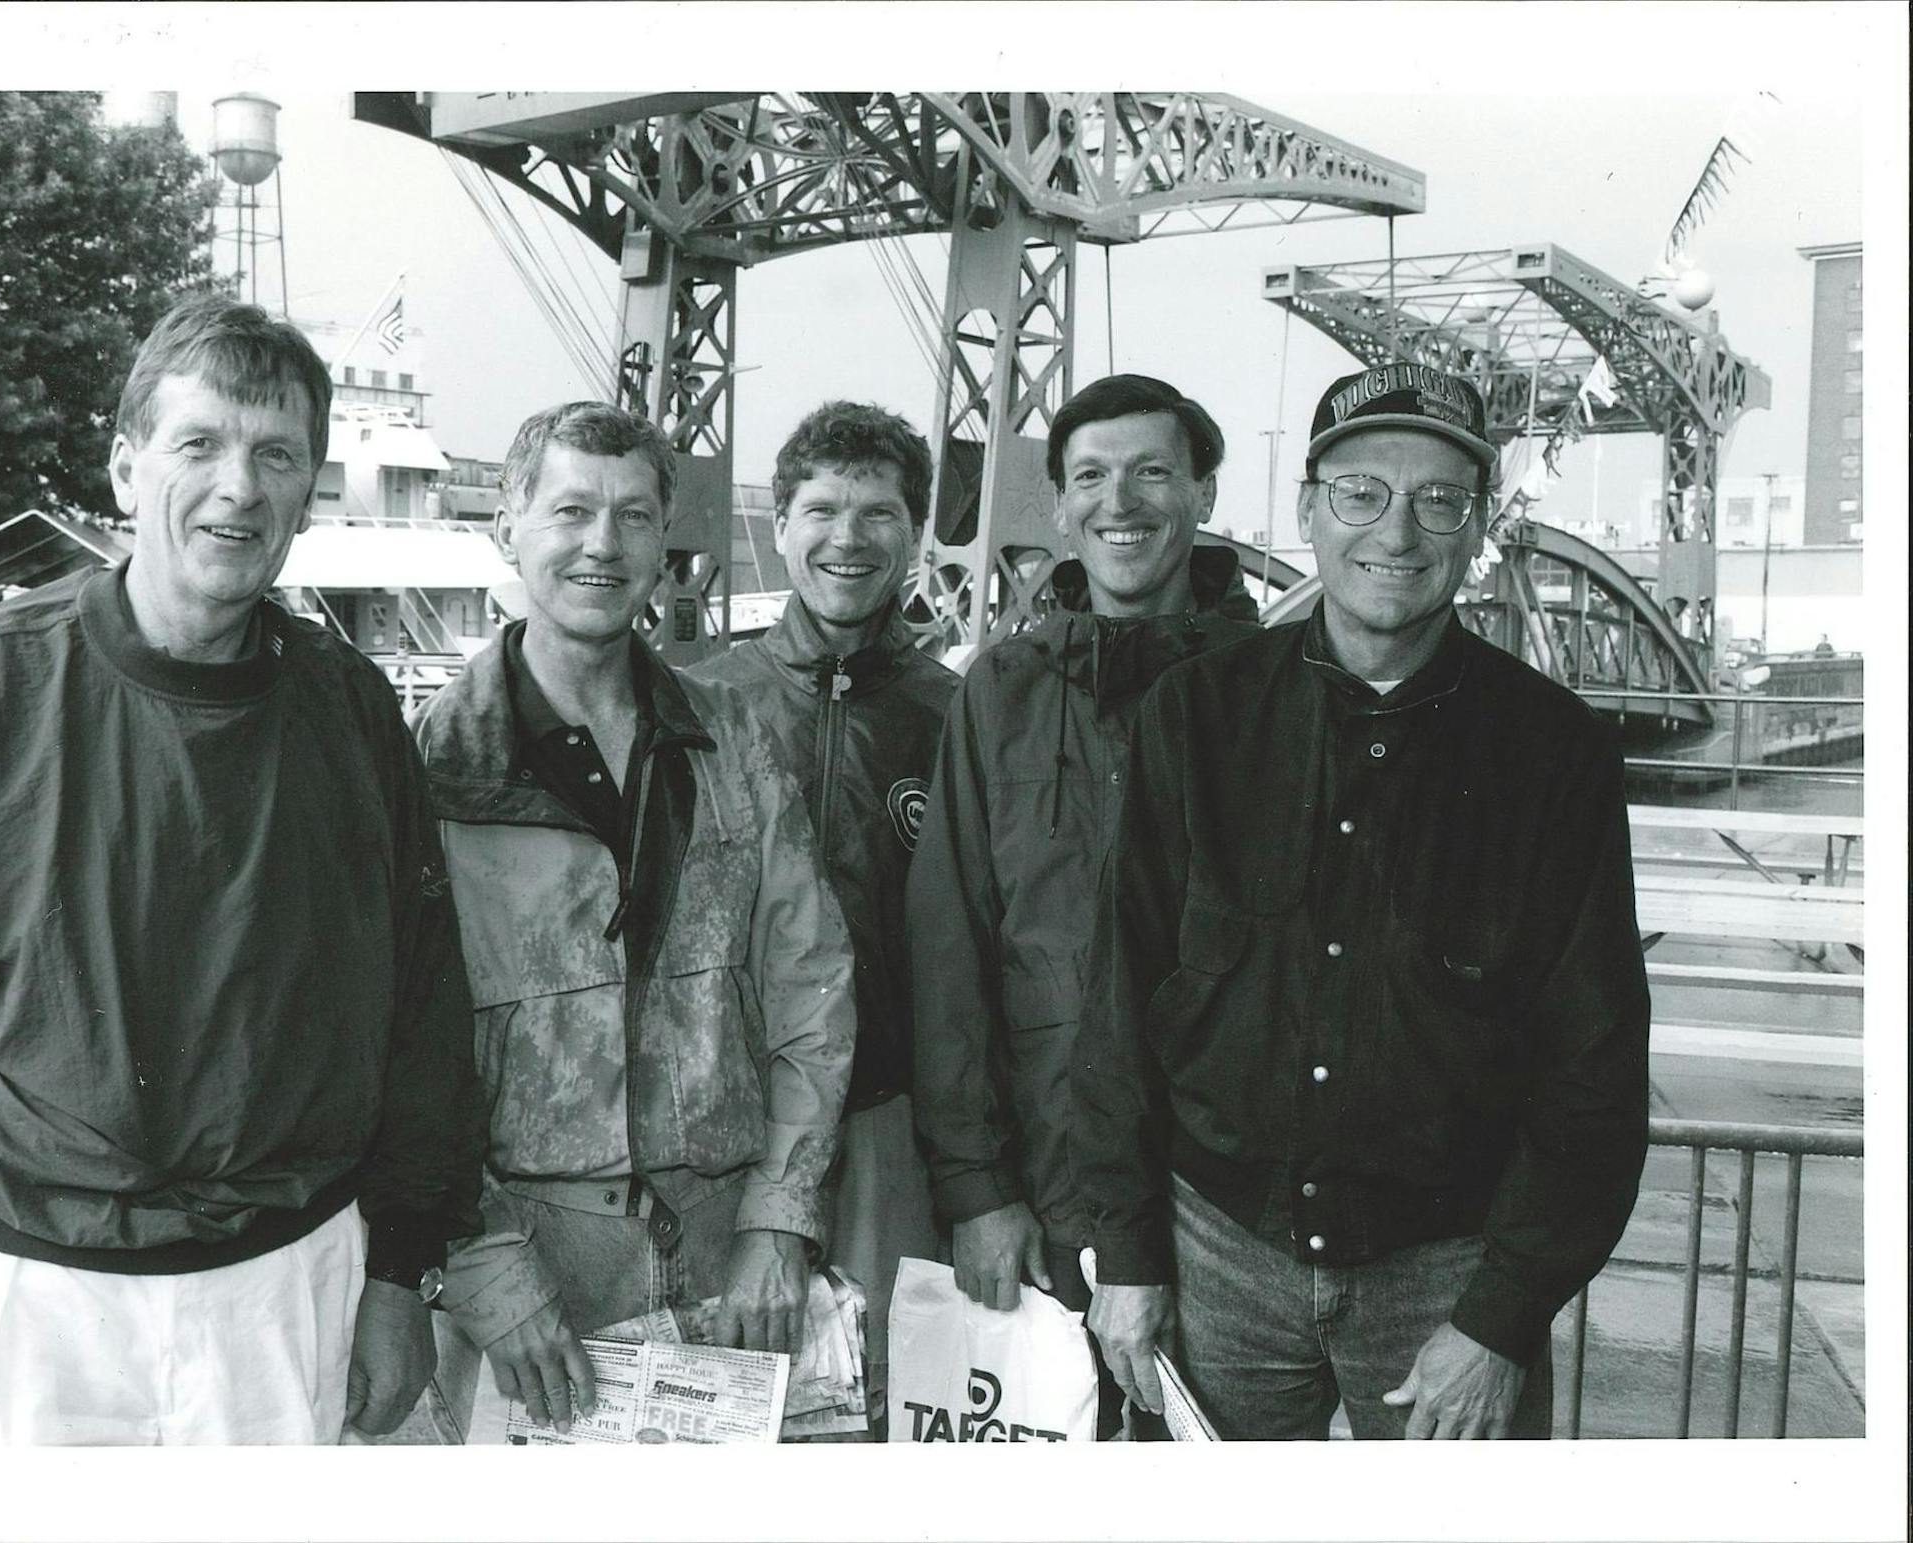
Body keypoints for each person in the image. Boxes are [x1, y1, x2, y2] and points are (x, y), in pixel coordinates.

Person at [0, 296, 485, 1446]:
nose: (240, 486)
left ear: (307, 490)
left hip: (281, 1292)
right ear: (126, 469)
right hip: (25, 1297)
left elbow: (420, 1009)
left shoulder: (356, 713)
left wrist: (401, 1272)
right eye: (200, 443)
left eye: (278, 454)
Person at [1075, 361, 1651, 1440]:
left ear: (1478, 525)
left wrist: (1503, 1318)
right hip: (1217, 1259)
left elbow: (1596, 1066)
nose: (1399, 531)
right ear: (1306, 507)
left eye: (1440, 499)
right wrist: (1130, 1251)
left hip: (1449, 1273)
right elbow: (1121, 1003)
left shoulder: (1557, 753)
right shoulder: (1193, 716)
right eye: (1361, 493)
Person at [414, 401, 856, 1436]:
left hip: (721, 1254)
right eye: (570, 511)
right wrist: (483, 1271)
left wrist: (778, 1219)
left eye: (635, 516)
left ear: (666, 542)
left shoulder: (733, 743)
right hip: (520, 1270)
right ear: (506, 527)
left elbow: (811, 992)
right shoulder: (430, 770)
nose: (601, 545)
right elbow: (397, 1052)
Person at [907, 373, 1258, 1438]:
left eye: (1154, 472)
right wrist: (976, 1191)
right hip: (1045, 1189)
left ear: (1202, 492)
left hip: (1228, 1211)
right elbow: (951, 947)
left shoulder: (1274, 686)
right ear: (1058, 506)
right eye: (1092, 477)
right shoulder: (1000, 691)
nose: (1123, 501)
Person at [691, 401, 957, 1430]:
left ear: (916, 530)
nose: (848, 538)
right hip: (726, 1129)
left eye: (879, 513)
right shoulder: (700, 700)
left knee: (874, 1405)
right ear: (781, 522)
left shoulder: (956, 715)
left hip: (889, 1126)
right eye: (821, 509)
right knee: (731, 1406)